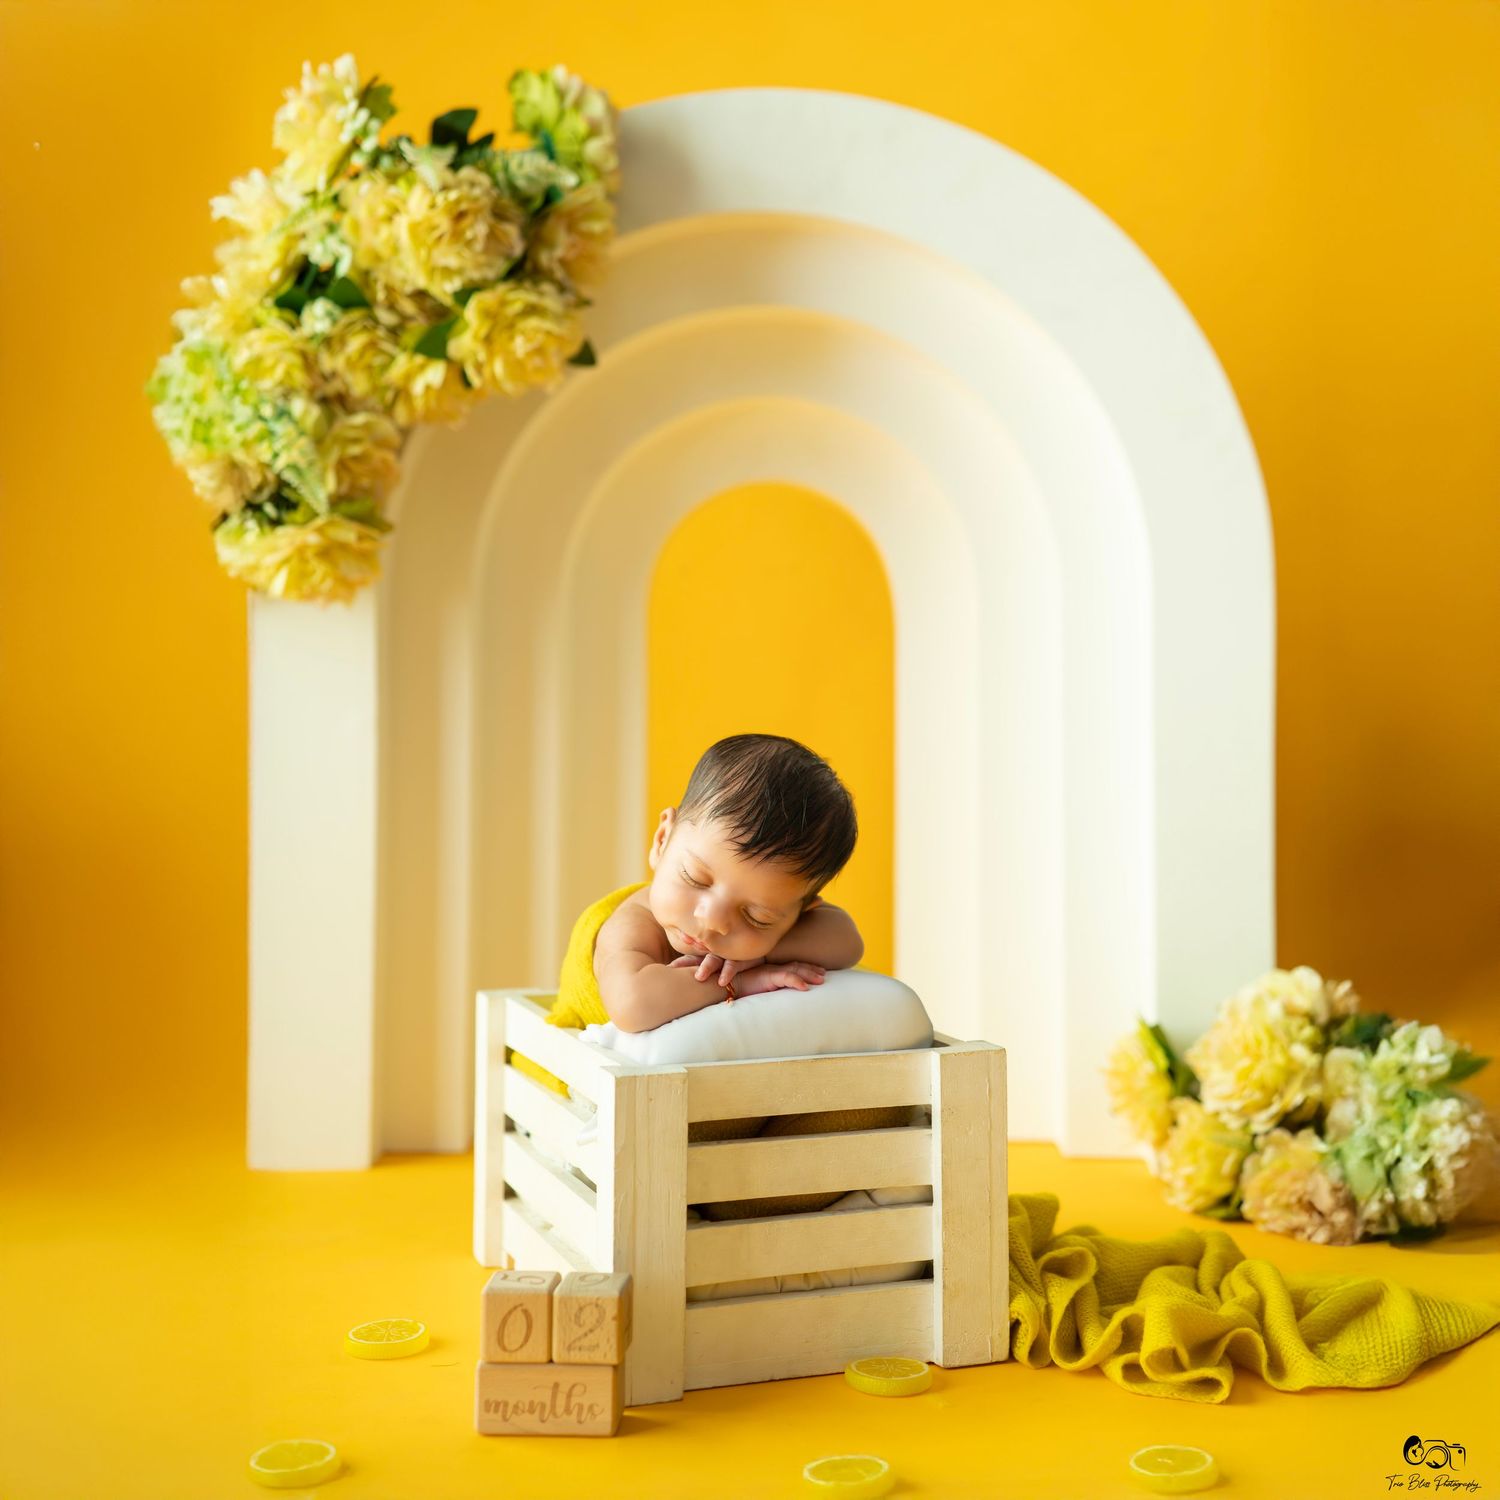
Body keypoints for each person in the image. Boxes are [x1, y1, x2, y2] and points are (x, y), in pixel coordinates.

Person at [556, 732, 865, 1038]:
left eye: (756, 917)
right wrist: (741, 982)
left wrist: (757, 953)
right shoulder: (633, 924)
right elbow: (631, 1005)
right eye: (695, 879)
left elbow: (849, 943)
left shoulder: (761, 934)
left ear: (801, 913)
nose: (712, 920)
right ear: (663, 840)